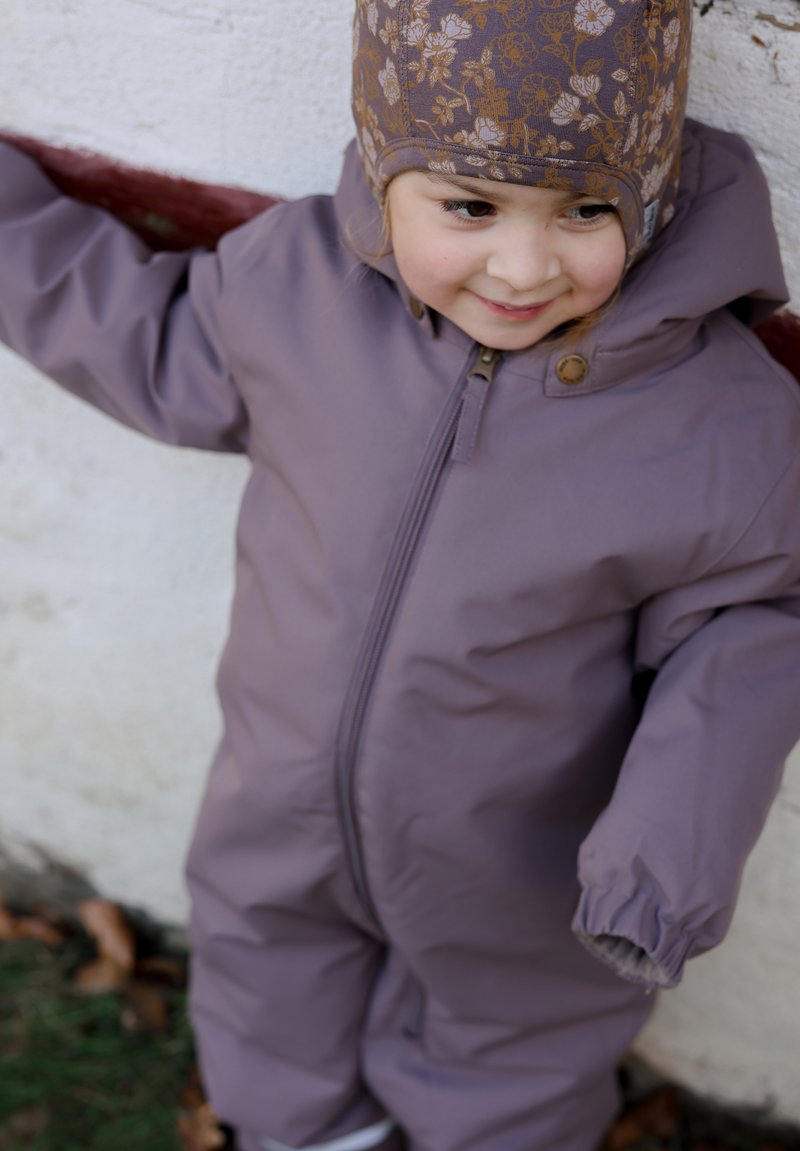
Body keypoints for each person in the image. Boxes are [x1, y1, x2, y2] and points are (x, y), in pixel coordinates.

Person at [1, 1, 800, 1149]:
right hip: (276, 800)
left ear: (655, 192)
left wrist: (655, 864)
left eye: (586, 210)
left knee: (510, 1065)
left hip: (519, 867)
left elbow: (755, 623)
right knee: (267, 993)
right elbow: (142, 330)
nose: (522, 267)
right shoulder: (298, 296)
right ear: (382, 176)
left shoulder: (717, 423)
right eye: (468, 207)